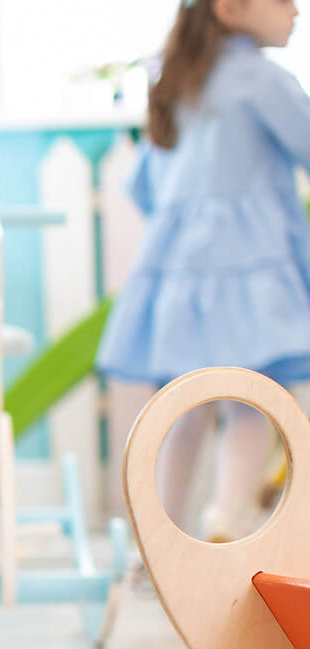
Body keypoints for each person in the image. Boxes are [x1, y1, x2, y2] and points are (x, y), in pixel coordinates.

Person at [100, 0, 310, 541]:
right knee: (253, 395)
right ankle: (228, 519)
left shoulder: (175, 83)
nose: (296, 10)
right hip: (251, 271)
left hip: (180, 274)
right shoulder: (261, 80)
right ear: (233, 8)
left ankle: (162, 539)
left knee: (188, 403)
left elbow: (144, 186)